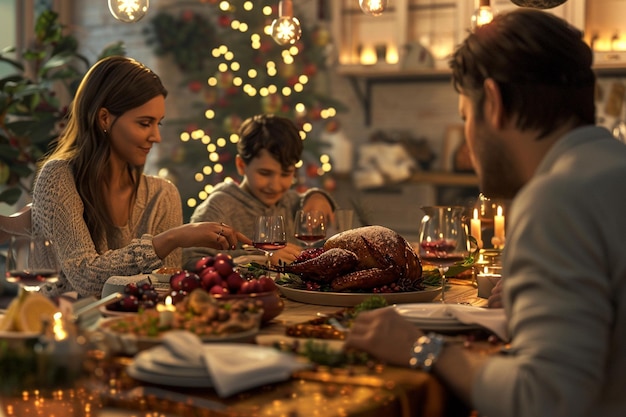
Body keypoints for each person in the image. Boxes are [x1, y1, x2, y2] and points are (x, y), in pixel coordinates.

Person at [345, 9, 626, 417]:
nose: (469, 143)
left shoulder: (557, 198)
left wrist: (421, 348)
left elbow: (543, 402)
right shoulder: (610, 170)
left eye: (465, 117)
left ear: (492, 103)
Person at [32, 56, 250, 298]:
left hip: (137, 326)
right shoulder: (59, 177)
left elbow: (166, 286)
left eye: (159, 124)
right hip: (65, 326)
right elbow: (85, 279)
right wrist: (172, 238)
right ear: (104, 118)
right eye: (145, 123)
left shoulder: (162, 195)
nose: (156, 136)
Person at [183, 114, 335, 269]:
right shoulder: (219, 207)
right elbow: (191, 262)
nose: (275, 186)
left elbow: (310, 201)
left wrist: (318, 196)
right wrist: (261, 257)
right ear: (241, 165)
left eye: (285, 174)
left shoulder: (291, 202)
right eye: (264, 173)